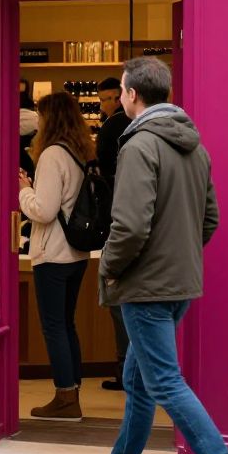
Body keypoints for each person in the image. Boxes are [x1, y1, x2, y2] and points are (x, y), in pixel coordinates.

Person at [81, 57, 228, 454]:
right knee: (140, 378)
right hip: (179, 283)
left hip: (146, 284)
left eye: (121, 90)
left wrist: (111, 267)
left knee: (163, 380)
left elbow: (131, 225)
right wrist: (178, 257)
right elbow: (209, 219)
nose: (119, 96)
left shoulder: (138, 146)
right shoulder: (195, 146)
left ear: (132, 95)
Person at [17, 91, 93, 421]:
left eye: (41, 114)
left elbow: (44, 210)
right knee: (66, 323)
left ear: (51, 119)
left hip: (53, 252)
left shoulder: (51, 155)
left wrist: (23, 189)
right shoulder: (79, 151)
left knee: (53, 326)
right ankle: (71, 391)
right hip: (77, 252)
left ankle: (65, 398)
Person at [94, 76, 131, 392]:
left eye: (110, 97)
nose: (107, 104)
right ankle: (132, 375)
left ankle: (127, 373)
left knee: (120, 307)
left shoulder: (111, 129)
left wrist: (111, 261)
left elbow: (106, 173)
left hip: (118, 232)